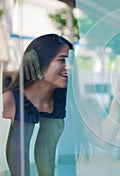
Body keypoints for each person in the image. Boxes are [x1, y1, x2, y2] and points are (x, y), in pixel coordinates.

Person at [2, 34, 73, 176]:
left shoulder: (60, 105)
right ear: (40, 63)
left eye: (71, 61)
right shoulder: (10, 101)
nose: (69, 67)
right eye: (62, 60)